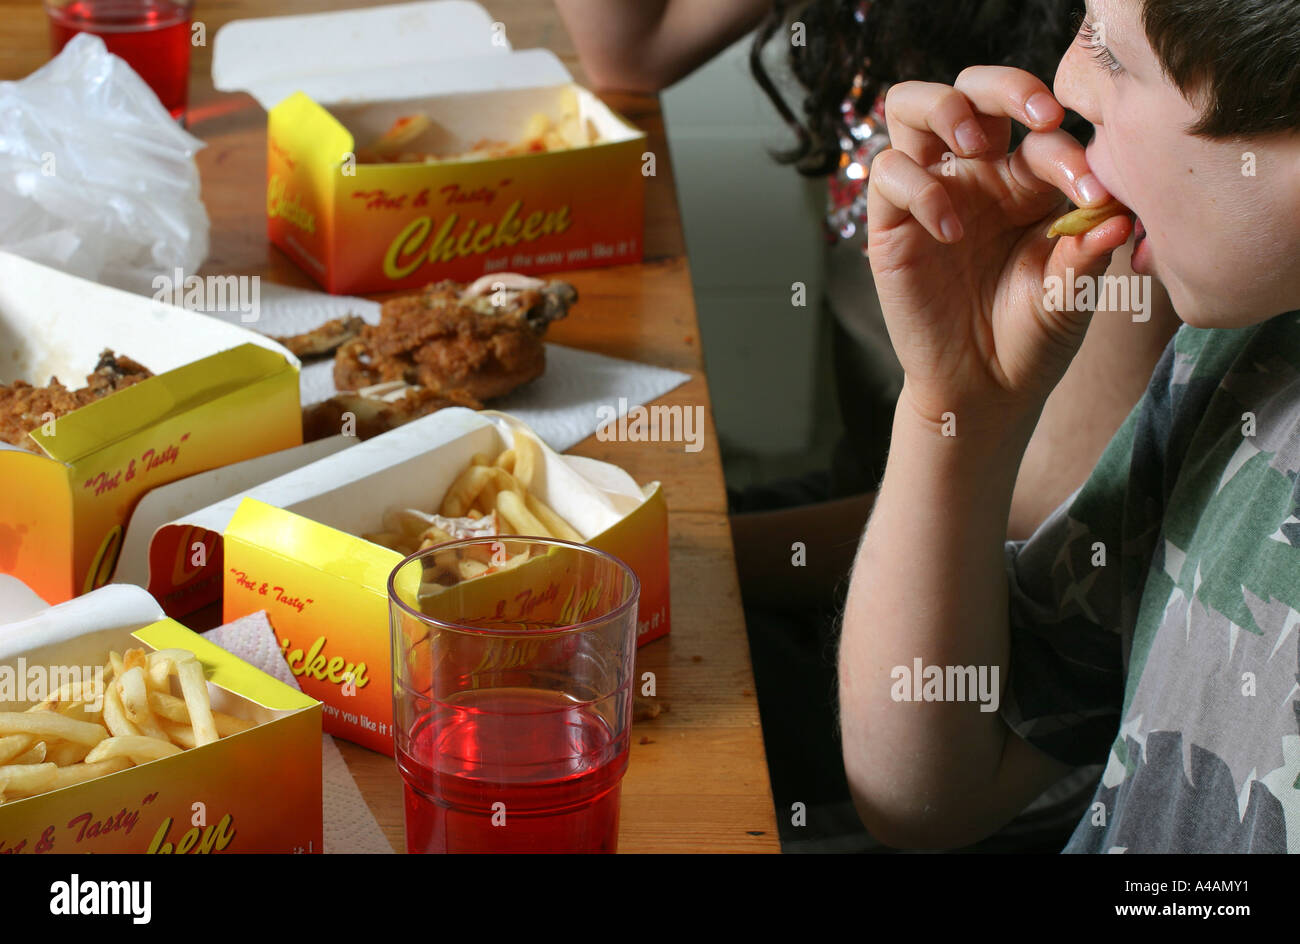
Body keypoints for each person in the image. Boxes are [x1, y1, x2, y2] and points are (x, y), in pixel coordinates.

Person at [554, 0, 1176, 850]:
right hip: (891, 516)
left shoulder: (1128, 148)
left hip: (1000, 643)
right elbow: (629, 47)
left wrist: (673, 562)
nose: (1079, 68)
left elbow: (1027, 530)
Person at [841, 0, 1300, 852]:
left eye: (1116, 57)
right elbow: (927, 792)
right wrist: (957, 407)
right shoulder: (1236, 360)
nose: (1067, 81)